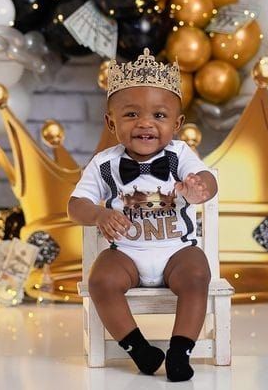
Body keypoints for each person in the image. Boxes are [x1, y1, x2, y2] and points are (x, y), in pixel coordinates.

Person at [67, 48, 218, 382]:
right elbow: (75, 205)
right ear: (111, 122)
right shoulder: (104, 164)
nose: (146, 123)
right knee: (100, 280)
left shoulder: (180, 154)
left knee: (197, 274)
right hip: (128, 255)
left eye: (159, 116)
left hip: (176, 250)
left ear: (177, 124)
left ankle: (181, 351)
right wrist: (98, 213)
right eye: (131, 114)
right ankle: (139, 349)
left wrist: (198, 187)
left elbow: (208, 179)